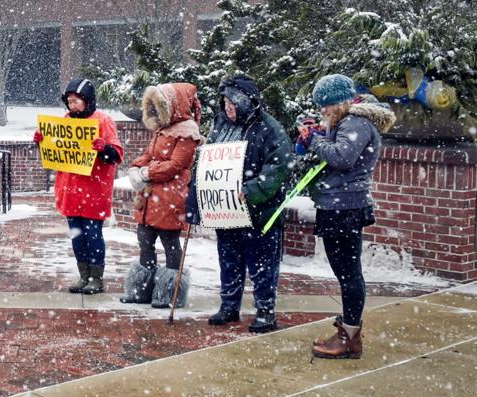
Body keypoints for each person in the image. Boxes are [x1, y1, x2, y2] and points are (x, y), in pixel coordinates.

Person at [185, 74, 294, 333]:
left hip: (259, 212)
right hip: (227, 212)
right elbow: (205, 164)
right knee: (229, 261)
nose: (227, 109)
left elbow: (280, 167)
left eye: (232, 104)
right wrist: (195, 200)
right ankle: (229, 305)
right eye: (225, 104)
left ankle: (266, 311)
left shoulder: (270, 128)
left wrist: (253, 189)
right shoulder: (221, 127)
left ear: (246, 101)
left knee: (263, 265)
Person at [297, 74, 394, 359]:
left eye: (325, 106)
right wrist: (310, 139)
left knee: (349, 274)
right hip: (336, 205)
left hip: (346, 207)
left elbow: (342, 157)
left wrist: (315, 139)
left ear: (339, 102)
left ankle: (350, 337)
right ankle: (349, 331)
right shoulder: (344, 123)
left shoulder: (356, 123)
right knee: (344, 273)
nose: (323, 111)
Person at [34, 77, 124, 294]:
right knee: (77, 235)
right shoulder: (65, 121)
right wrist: (42, 142)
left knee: (93, 235)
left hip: (94, 191)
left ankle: (96, 277)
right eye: (70, 101)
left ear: (88, 101)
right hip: (71, 191)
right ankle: (84, 275)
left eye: (77, 101)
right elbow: (58, 152)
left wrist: (103, 149)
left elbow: (116, 154)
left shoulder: (103, 121)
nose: (72, 105)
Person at [121, 82, 201, 308]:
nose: (154, 112)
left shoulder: (186, 133)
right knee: (145, 241)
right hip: (150, 197)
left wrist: (147, 172)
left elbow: (176, 165)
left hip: (170, 197)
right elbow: (149, 154)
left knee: (169, 243)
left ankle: (168, 293)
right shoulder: (162, 130)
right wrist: (136, 167)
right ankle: (142, 290)